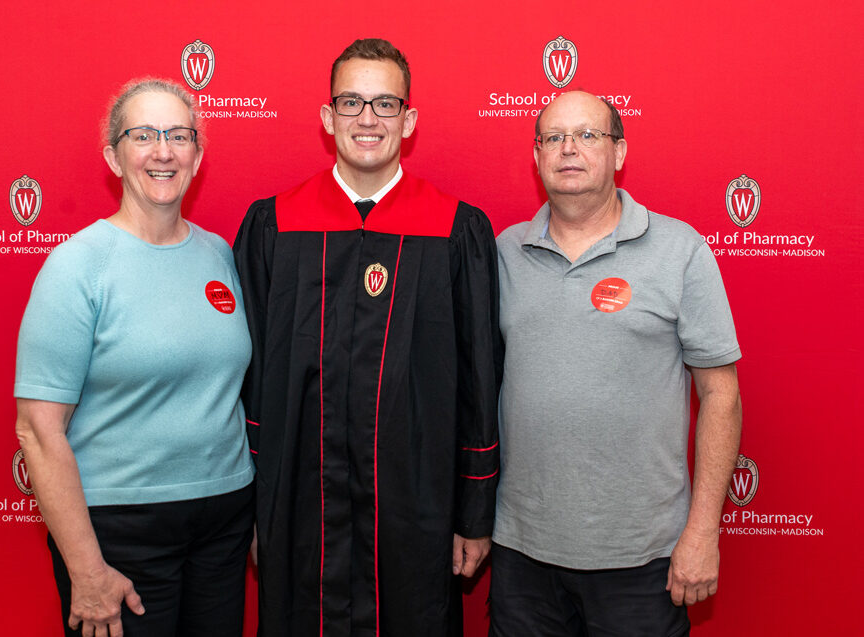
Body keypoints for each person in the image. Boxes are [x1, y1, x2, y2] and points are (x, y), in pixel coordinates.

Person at [233, 38, 501, 637]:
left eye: (385, 103)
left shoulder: (457, 230)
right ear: (328, 118)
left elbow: (480, 380)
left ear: (409, 120)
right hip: (297, 501)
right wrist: (250, 509)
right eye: (352, 102)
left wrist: (475, 512)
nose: (368, 119)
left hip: (418, 504)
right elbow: (246, 379)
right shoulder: (274, 225)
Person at [491, 91, 743, 636]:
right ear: (535, 157)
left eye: (587, 135)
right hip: (521, 555)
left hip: (643, 559)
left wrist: (703, 531)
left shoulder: (681, 251)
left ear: (619, 152)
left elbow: (721, 395)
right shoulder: (502, 253)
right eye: (553, 138)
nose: (569, 149)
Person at [14, 78, 254, 637]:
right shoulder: (78, 267)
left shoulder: (219, 254)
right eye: (142, 135)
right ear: (113, 156)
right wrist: (87, 570)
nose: (163, 151)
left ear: (198, 152)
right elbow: (38, 431)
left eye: (178, 135)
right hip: (120, 534)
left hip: (223, 524)